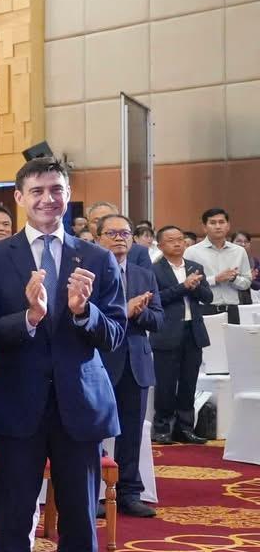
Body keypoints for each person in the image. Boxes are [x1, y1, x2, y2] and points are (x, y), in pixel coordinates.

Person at [0, 156, 125, 552]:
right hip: (17, 404)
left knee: (80, 519)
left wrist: (85, 313)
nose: (47, 199)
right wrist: (30, 317)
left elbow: (116, 333)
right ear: (19, 197)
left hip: (79, 406)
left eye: (56, 189)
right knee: (12, 519)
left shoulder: (96, 258)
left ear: (67, 195)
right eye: (36, 190)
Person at [97, 213, 161, 517]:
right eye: (111, 233)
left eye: (124, 233)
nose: (119, 238)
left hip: (136, 360)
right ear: (98, 239)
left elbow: (158, 319)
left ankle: (129, 492)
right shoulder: (88, 272)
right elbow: (82, 317)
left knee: (131, 432)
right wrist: (124, 309)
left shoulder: (143, 275)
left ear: (132, 240)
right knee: (93, 430)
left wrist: (138, 312)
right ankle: (93, 492)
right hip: (98, 361)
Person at [151, 225, 211, 446]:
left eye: (180, 239)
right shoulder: (153, 270)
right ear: (160, 245)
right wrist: (184, 286)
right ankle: (162, 428)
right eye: (171, 240)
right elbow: (156, 299)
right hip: (166, 332)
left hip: (193, 331)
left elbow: (208, 297)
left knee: (188, 382)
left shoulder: (195, 267)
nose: (178, 243)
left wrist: (195, 287)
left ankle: (185, 428)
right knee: (165, 384)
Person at [192, 208, 251, 314]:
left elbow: (247, 282)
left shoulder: (239, 251)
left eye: (221, 222)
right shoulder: (192, 251)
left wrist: (234, 279)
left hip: (233, 309)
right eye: (213, 223)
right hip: (205, 309)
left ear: (228, 226)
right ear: (204, 227)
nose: (218, 226)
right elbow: (188, 284)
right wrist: (215, 279)